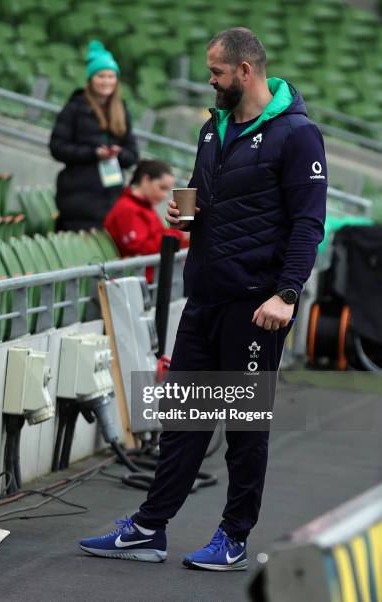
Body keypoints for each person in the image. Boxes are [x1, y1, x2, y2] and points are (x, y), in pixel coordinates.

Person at [79, 28, 326, 570]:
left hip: (259, 305)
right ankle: (149, 528)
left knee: (242, 425)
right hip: (205, 296)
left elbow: (309, 223)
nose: (209, 81)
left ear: (245, 71)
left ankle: (234, 537)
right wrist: (185, 217)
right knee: (184, 418)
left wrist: (287, 294)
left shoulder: (298, 134)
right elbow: (199, 193)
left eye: (216, 72)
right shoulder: (213, 128)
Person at [50, 40, 138, 231]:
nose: (106, 81)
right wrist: (93, 153)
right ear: (91, 79)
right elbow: (57, 147)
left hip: (111, 194)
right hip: (77, 196)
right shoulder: (74, 108)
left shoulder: (121, 110)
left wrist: (118, 153)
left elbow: (133, 154)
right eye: (101, 76)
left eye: (110, 76)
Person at [104, 159, 188, 281]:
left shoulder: (144, 207)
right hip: (138, 280)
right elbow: (140, 248)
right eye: (162, 188)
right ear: (145, 180)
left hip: (149, 278)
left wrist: (186, 238)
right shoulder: (127, 208)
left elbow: (156, 239)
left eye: (167, 190)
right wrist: (178, 234)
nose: (164, 195)